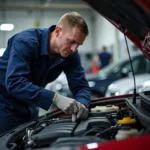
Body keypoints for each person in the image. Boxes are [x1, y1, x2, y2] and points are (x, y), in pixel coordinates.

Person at [0, 12, 90, 134]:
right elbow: (15, 83)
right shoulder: (26, 42)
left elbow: (80, 85)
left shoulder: (70, 54)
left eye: (78, 45)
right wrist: (55, 98)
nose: (74, 49)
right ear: (58, 31)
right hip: (4, 103)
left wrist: (82, 104)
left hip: (31, 104)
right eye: (72, 42)